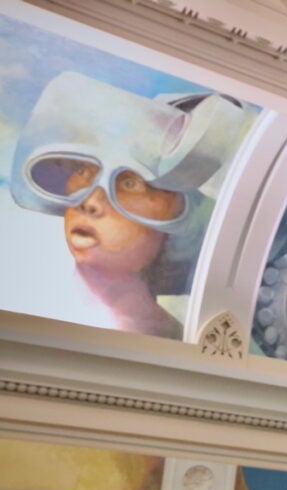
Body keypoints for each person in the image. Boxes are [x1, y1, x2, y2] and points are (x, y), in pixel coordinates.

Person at [10, 71, 254, 337]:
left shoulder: (170, 341)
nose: (91, 203)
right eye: (84, 172)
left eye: (129, 184)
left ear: (175, 226)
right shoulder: (26, 293)